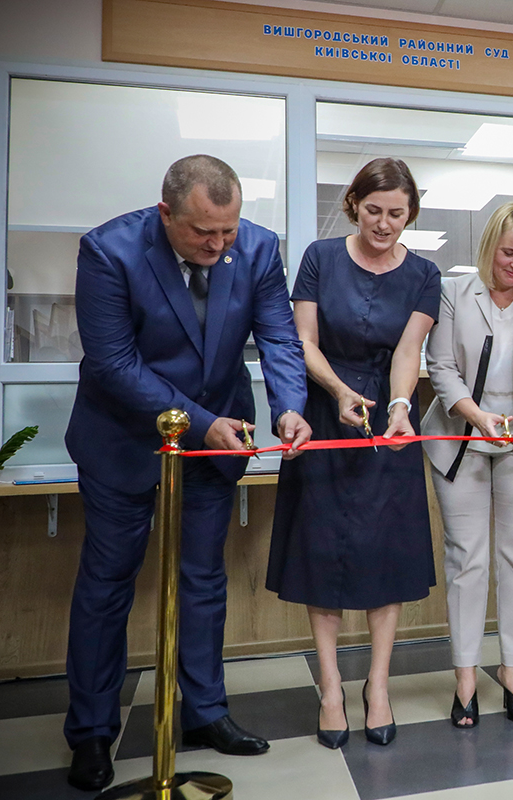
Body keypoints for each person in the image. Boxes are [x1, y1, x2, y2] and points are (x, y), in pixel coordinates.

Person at [63, 155, 312, 791]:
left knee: (202, 578)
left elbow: (279, 337)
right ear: (166, 213)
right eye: (204, 231)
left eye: (228, 230)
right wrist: (202, 424)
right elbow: (114, 364)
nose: (218, 245)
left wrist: (289, 407)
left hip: (212, 446)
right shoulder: (109, 251)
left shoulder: (257, 248)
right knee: (108, 582)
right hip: (124, 441)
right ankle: (91, 730)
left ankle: (204, 713)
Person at [266, 158, 440, 749]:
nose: (384, 224)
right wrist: (339, 392)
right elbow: (303, 341)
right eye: (373, 211)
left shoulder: (424, 273)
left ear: (410, 214)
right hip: (324, 416)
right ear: (353, 205)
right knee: (321, 555)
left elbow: (407, 352)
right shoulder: (319, 258)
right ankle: (332, 689)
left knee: (385, 556)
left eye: (397, 213)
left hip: (388, 425)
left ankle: (378, 686)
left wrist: (401, 406)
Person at [422, 201, 513, 727]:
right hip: (461, 435)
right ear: (489, 246)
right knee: (467, 558)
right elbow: (441, 367)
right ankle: (465, 676)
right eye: (509, 253)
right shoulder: (454, 292)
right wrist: (478, 416)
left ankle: (512, 671)